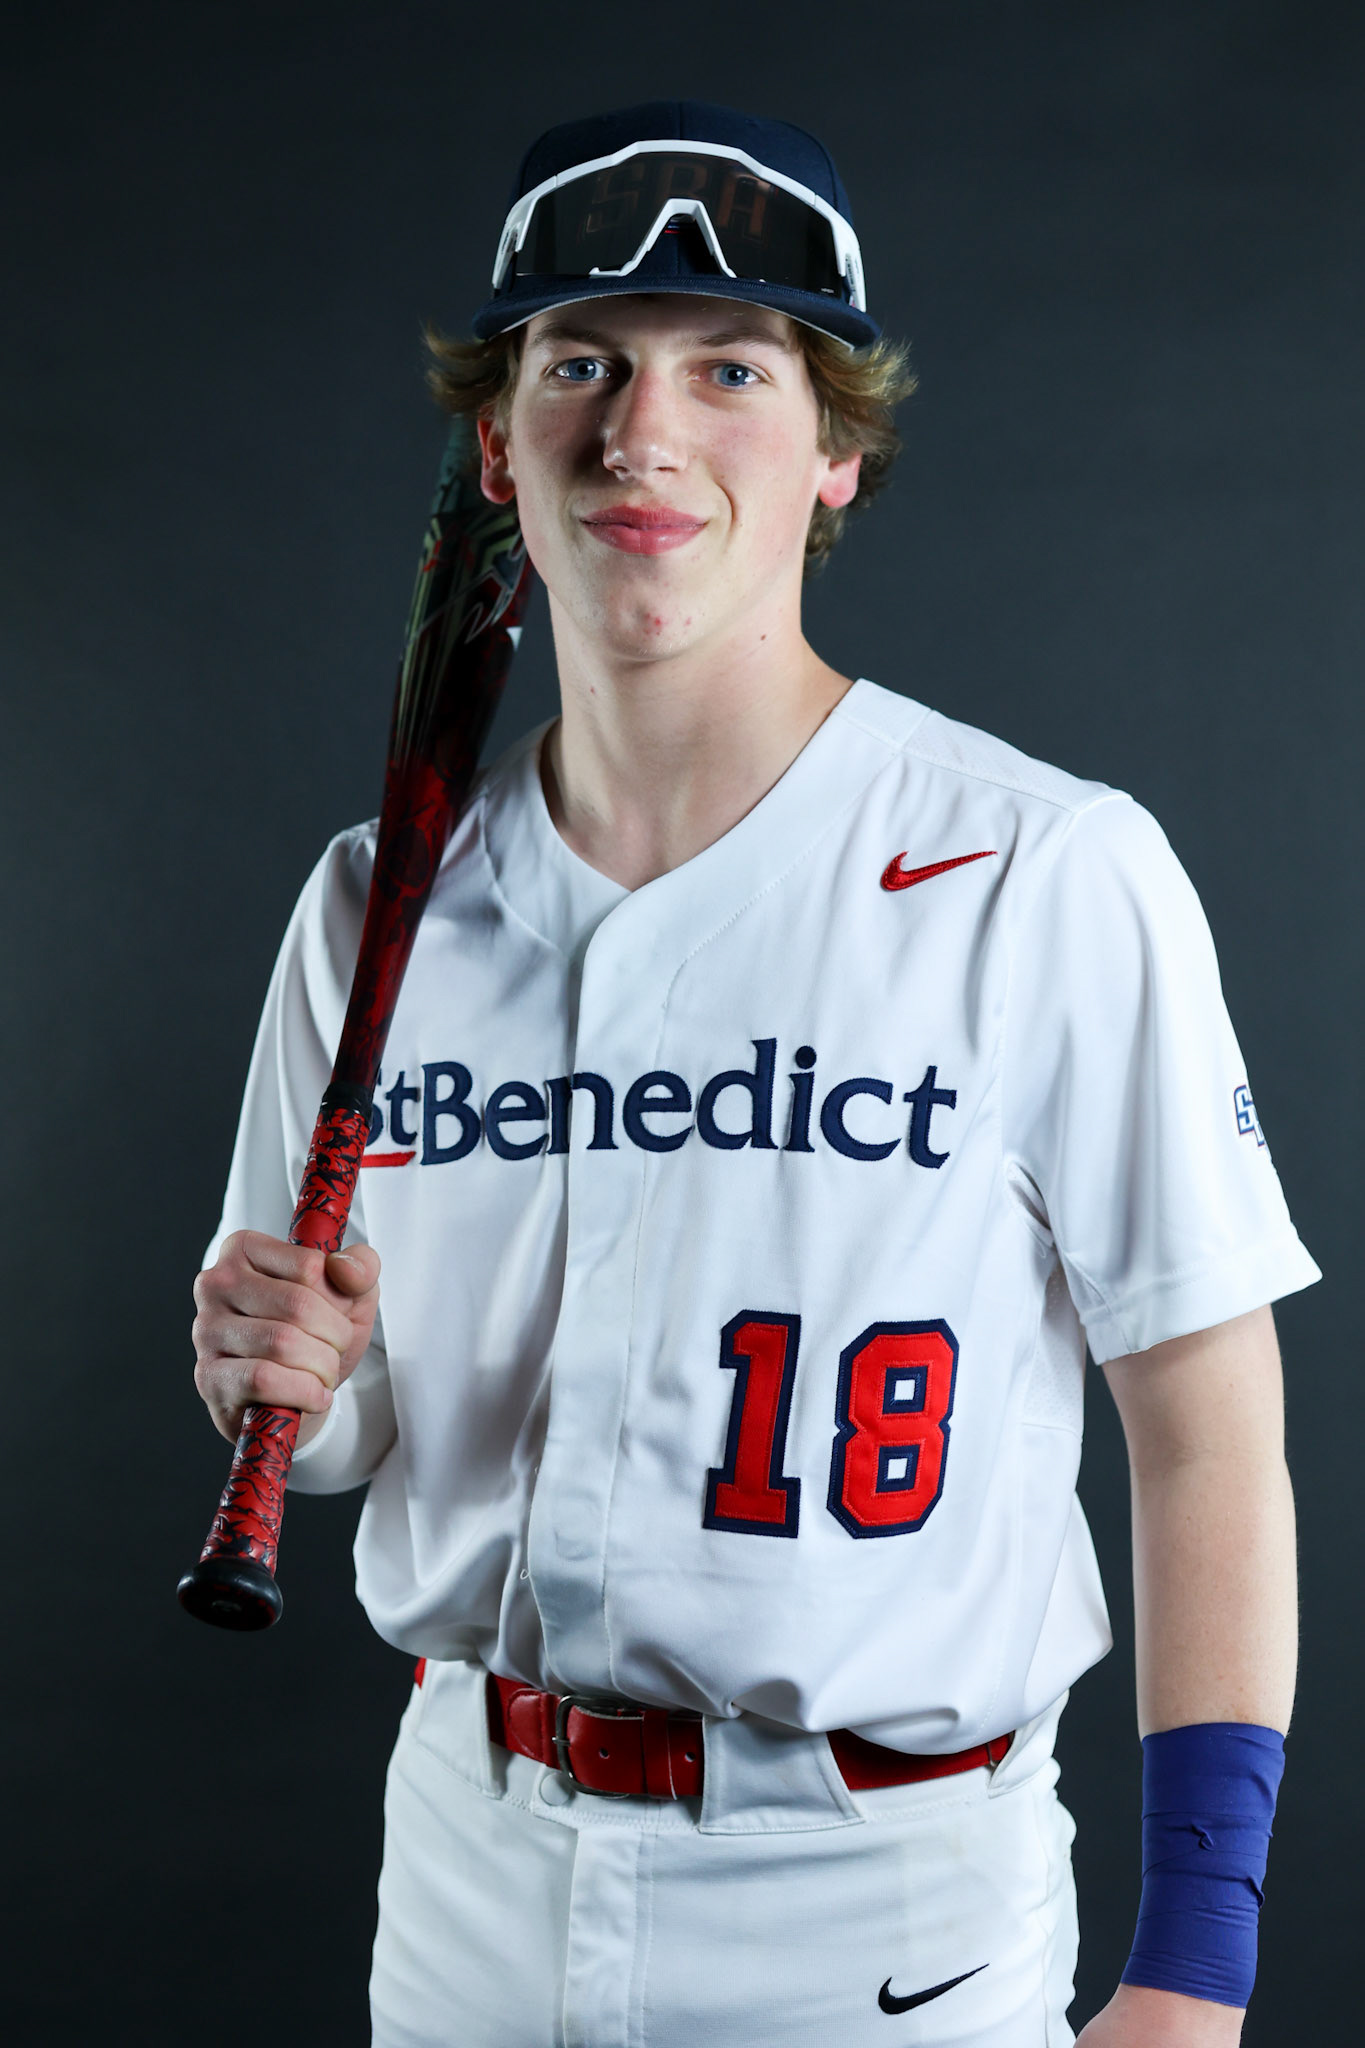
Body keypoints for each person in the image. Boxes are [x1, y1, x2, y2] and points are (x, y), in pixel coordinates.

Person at [190, 101, 1319, 2046]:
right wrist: (274, 1375)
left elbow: (1205, 1422)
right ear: (496, 439)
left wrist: (1194, 1958)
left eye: (730, 370)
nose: (642, 434)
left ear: (837, 455)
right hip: (469, 1860)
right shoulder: (381, 900)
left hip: (881, 1904)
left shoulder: (1042, 870)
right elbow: (352, 1422)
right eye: (580, 366)